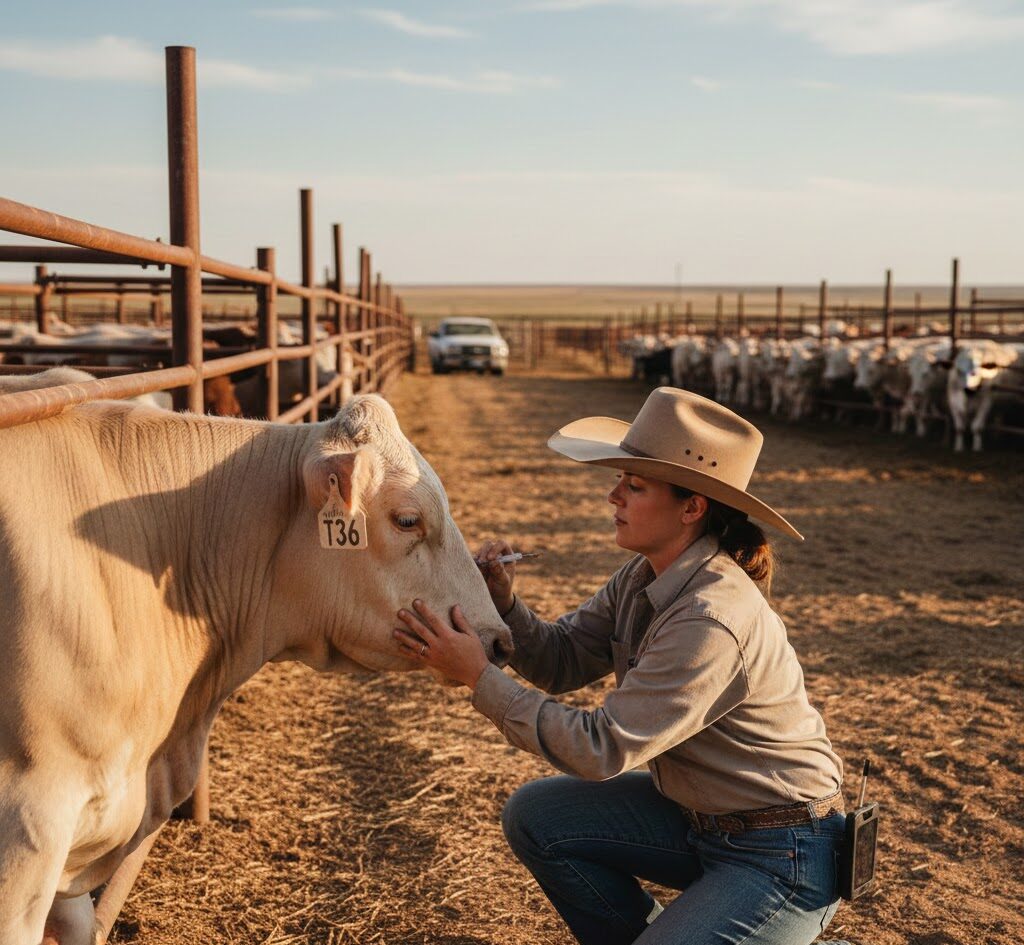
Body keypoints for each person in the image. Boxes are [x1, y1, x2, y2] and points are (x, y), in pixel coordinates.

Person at [394, 386, 849, 945]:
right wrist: (503, 603)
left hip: (783, 853)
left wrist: (479, 677)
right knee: (538, 817)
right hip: (697, 820)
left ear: (692, 507)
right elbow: (562, 659)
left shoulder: (711, 618)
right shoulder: (644, 577)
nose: (614, 496)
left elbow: (601, 749)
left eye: (634, 485)